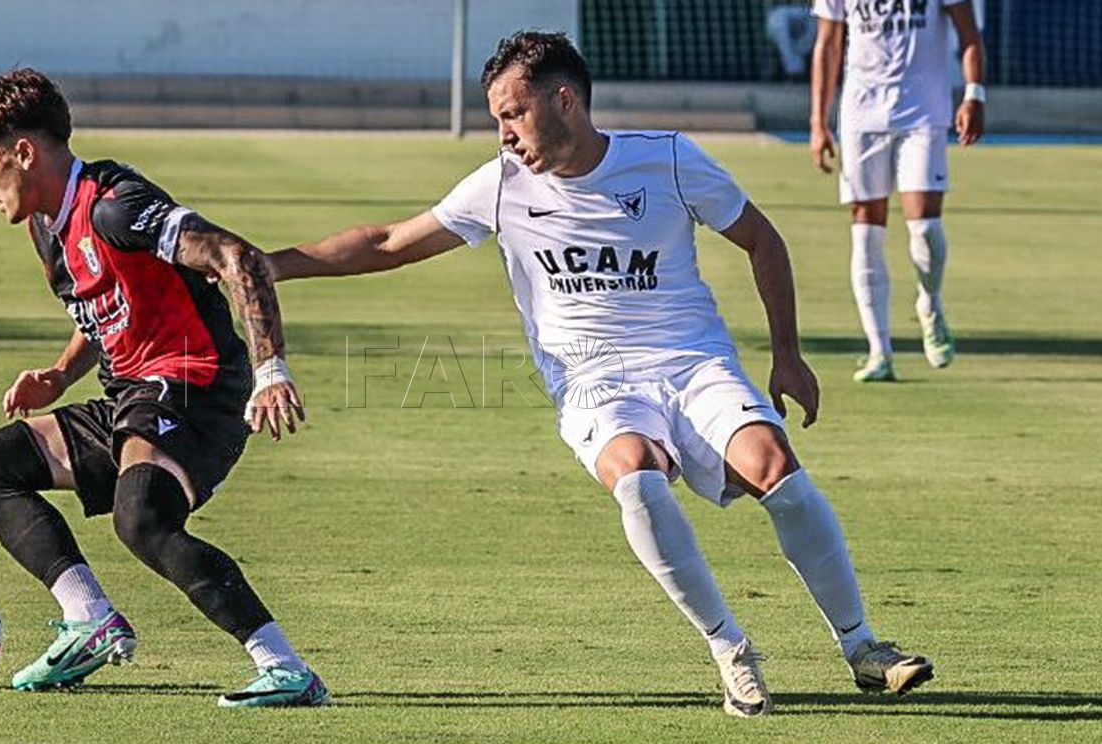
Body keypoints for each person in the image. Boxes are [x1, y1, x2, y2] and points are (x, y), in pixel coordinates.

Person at [267, 31, 933, 718]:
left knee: (777, 471)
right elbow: (388, 243)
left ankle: (861, 648)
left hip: (691, 360)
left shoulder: (667, 159)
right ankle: (730, 651)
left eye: (511, 114)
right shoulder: (500, 185)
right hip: (593, 383)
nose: (503, 134)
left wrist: (786, 354)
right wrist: (270, 265)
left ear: (564, 101)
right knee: (637, 477)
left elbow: (762, 239)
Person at [0, 68, 327, 708]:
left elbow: (238, 258)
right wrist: (61, 374)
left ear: (24, 153)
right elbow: (106, 307)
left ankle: (285, 668)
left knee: (142, 518)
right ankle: (89, 620)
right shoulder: (45, 226)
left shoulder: (116, 204)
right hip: (132, 394)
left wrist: (271, 370)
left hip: (196, 385)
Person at [810, 0, 987, 382]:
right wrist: (818, 121)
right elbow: (828, 43)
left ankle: (930, 301)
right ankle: (879, 351)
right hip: (862, 114)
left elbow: (969, 34)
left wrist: (974, 94)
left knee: (925, 226)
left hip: (924, 112)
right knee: (865, 229)